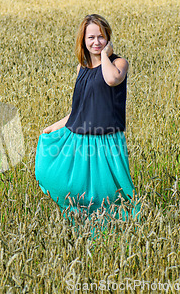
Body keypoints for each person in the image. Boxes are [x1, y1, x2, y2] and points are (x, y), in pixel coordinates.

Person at [35, 14, 139, 225]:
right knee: (75, 190)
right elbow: (78, 110)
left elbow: (111, 79)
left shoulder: (119, 63)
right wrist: (52, 127)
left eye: (101, 37)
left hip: (107, 140)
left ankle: (117, 232)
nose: (96, 42)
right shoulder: (80, 69)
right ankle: (83, 230)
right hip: (79, 138)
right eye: (91, 37)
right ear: (83, 40)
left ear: (108, 39)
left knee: (112, 195)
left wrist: (105, 57)